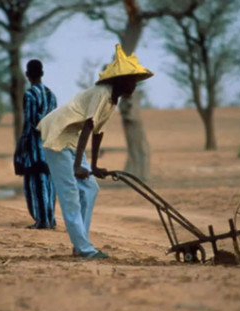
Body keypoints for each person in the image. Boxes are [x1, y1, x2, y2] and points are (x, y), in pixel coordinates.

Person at [37, 44, 153, 258]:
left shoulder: (113, 100)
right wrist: (76, 166)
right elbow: (89, 126)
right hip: (57, 135)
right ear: (118, 80)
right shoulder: (102, 92)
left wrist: (95, 166)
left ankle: (80, 243)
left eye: (135, 81)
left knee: (90, 188)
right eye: (130, 80)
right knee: (70, 193)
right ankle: (84, 249)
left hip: (71, 140)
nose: (134, 86)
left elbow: (99, 132)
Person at [14, 59, 57, 229]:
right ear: (42, 73)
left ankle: (41, 220)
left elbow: (32, 122)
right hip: (50, 145)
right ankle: (50, 219)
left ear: (27, 74)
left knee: (35, 184)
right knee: (48, 183)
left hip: (34, 147)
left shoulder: (30, 95)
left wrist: (21, 148)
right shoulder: (51, 95)